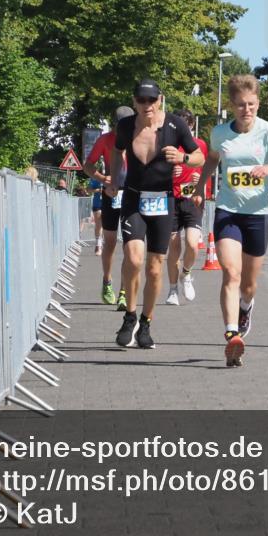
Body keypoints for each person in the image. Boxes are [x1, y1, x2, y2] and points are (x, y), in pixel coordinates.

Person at [193, 75, 268, 367]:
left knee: (248, 285)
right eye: (240, 105)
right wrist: (201, 189)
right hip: (228, 211)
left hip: (258, 215)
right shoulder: (220, 133)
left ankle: (245, 307)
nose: (246, 110)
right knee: (231, 273)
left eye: (251, 104)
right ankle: (231, 334)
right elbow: (212, 159)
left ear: (258, 104)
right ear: (232, 105)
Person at [107, 79, 203, 349]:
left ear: (160, 99)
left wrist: (182, 159)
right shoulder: (126, 126)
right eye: (141, 100)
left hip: (163, 202)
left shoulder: (175, 125)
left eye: (151, 100)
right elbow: (117, 152)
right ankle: (130, 316)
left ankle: (146, 324)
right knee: (133, 259)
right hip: (134, 199)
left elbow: (199, 157)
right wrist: (115, 180)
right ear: (135, 101)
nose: (146, 105)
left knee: (154, 268)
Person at [84, 105, 134, 308]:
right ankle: (107, 280)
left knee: (131, 246)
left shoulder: (139, 136)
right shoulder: (105, 139)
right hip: (111, 193)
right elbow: (88, 165)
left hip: (133, 195)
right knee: (111, 241)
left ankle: (123, 291)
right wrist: (103, 179)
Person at [165, 109, 208, 305]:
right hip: (171, 199)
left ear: (190, 126)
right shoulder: (167, 146)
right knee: (174, 247)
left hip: (192, 199)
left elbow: (208, 169)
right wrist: (168, 175)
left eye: (186, 126)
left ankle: (187, 274)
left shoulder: (200, 145)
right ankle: (173, 290)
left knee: (192, 243)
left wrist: (202, 183)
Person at [88, 176, 103, 255]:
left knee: (107, 225)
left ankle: (104, 244)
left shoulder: (112, 176)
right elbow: (89, 190)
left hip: (109, 204)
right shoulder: (94, 178)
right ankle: (98, 245)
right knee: (99, 225)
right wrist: (98, 190)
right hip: (97, 204)